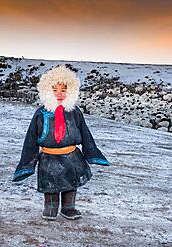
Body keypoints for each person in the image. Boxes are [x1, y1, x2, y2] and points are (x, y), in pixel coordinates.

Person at [12, 64, 110, 221]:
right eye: (55, 90)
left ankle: (68, 208)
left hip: (72, 156)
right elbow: (31, 139)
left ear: (70, 91)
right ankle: (50, 208)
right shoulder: (41, 114)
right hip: (49, 158)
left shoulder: (75, 112)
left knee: (71, 184)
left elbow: (85, 133)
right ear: (46, 90)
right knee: (50, 185)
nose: (60, 94)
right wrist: (27, 164)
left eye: (63, 90)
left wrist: (92, 154)